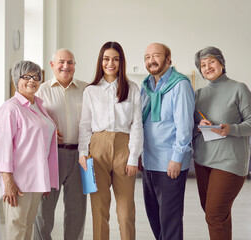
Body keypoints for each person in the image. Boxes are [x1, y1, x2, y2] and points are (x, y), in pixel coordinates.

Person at [193, 46, 251, 240]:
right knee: (216, 214)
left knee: (214, 214)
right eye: (202, 65)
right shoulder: (198, 95)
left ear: (221, 63)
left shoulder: (239, 88)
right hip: (203, 162)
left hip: (229, 164)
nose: (207, 67)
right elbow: (189, 128)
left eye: (211, 61)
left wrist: (230, 129)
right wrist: (198, 126)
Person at [78, 41, 143, 240]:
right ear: (101, 61)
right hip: (97, 150)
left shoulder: (131, 88)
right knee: (99, 210)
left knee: (125, 213)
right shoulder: (91, 91)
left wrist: (133, 158)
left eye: (115, 59)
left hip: (124, 148)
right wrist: (82, 153)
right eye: (106, 59)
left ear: (121, 62)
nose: (110, 63)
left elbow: (137, 124)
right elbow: (85, 125)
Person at [0, 61, 59, 239]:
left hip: (37, 178)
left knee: (28, 227)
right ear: (17, 79)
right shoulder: (10, 108)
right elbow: (2, 149)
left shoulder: (38, 105)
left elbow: (41, 140)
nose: (32, 81)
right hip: (19, 180)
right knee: (16, 229)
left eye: (36, 77)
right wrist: (8, 182)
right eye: (26, 77)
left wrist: (45, 178)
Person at [140, 43, 194, 240]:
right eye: (147, 57)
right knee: (155, 218)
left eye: (156, 56)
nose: (151, 60)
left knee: (169, 221)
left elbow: (185, 126)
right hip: (149, 161)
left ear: (168, 59)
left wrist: (177, 158)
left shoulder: (180, 85)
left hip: (170, 162)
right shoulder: (146, 86)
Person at [34, 49, 87, 240]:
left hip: (82, 156)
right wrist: (47, 132)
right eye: (61, 62)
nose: (66, 66)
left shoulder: (86, 89)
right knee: (43, 212)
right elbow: (31, 121)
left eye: (70, 62)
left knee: (77, 212)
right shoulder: (40, 90)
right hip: (51, 155)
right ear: (51, 65)